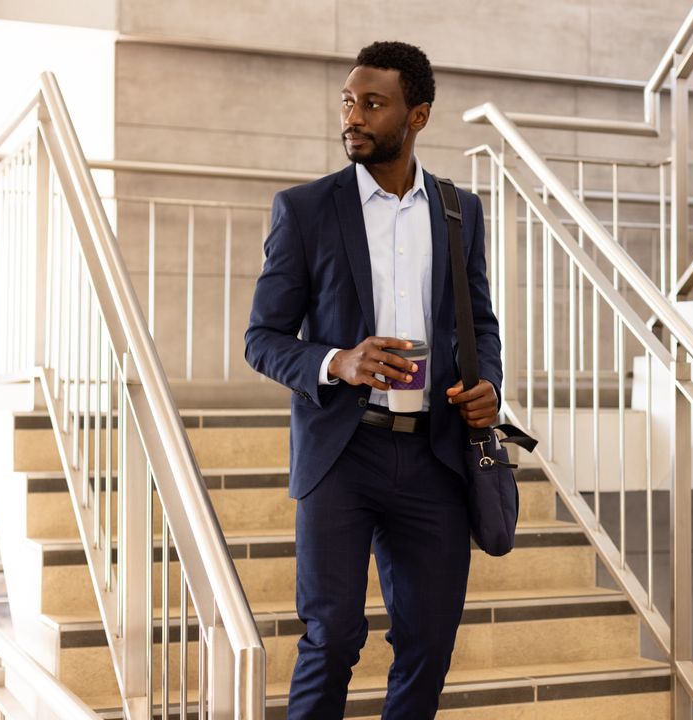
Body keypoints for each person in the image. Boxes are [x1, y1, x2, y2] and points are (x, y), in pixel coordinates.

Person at [244, 40, 502, 720]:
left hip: (436, 453)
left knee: (429, 640)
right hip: (342, 451)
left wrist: (490, 387)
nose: (352, 117)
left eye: (372, 104)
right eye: (347, 102)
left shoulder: (458, 211)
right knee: (332, 636)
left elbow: (480, 323)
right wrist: (337, 362)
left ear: (417, 116)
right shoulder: (304, 210)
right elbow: (261, 339)